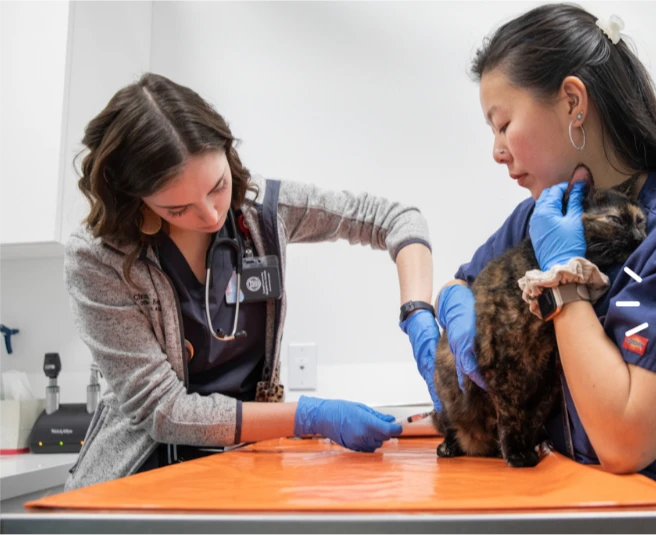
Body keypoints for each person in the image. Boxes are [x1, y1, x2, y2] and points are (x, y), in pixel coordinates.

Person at [403, 4, 656, 533]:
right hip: (592, 508)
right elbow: (465, 281)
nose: (497, 152)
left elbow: (624, 438)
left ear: (572, 101)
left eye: (503, 124)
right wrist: (452, 309)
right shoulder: (541, 215)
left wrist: (563, 283)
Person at [63, 73, 437, 490]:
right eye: (178, 208)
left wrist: (417, 311)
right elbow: (164, 412)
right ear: (138, 199)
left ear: (227, 150)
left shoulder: (261, 212)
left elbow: (396, 218)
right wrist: (306, 416)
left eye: (218, 186)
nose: (209, 215)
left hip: (244, 469)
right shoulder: (97, 258)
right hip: (141, 481)